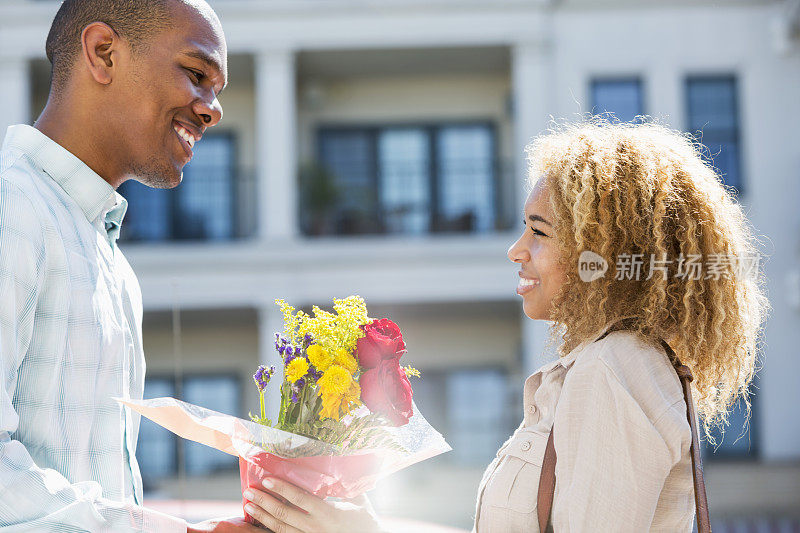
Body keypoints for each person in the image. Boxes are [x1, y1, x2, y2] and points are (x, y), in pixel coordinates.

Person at [241, 119, 769, 532]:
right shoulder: (608, 368)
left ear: (602, 252)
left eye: (539, 232)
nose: (516, 251)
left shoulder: (615, 369)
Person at [0, 1, 267, 531]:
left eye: (217, 92)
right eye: (196, 75)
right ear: (103, 53)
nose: (212, 110)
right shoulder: (12, 206)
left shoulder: (114, 268)